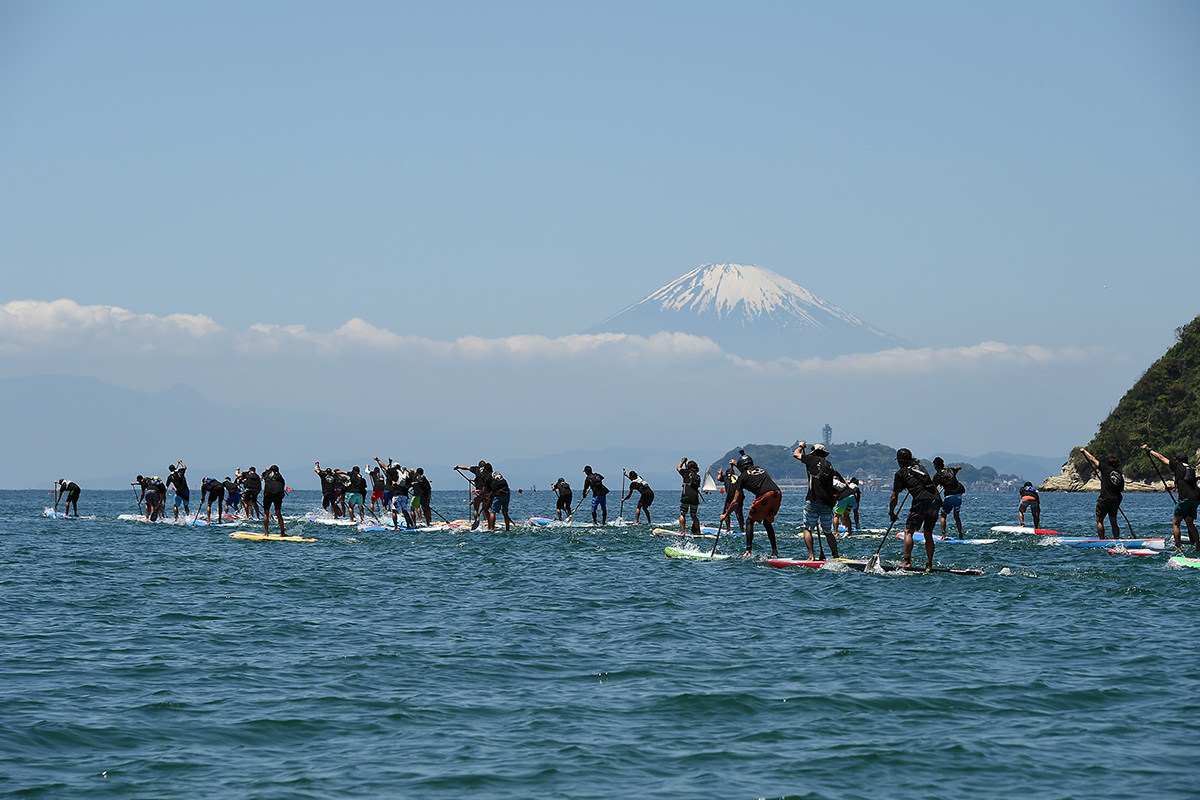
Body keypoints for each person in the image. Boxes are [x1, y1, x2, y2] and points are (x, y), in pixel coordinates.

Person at [719, 451, 781, 559]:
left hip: (764, 495)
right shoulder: (760, 469)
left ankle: (748, 551)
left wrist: (726, 515)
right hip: (777, 494)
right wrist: (737, 464)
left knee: (749, 521)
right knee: (767, 522)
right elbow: (747, 471)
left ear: (741, 467)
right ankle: (774, 551)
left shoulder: (741, 478)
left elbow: (735, 502)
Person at [888, 448, 940, 570]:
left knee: (909, 531)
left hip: (921, 501)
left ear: (900, 461)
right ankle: (929, 563)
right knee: (928, 533)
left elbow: (894, 496)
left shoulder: (900, 473)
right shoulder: (921, 468)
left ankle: (907, 562)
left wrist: (891, 513)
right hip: (936, 500)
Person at [1143, 445, 1200, 552]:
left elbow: (1161, 457)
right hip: (1195, 499)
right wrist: (1173, 486)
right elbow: (1188, 482)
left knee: (1176, 523)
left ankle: (1178, 547)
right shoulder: (1191, 469)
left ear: (1178, 461)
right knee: (1190, 523)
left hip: (1185, 498)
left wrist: (1149, 450)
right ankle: (1198, 546)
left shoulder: (1177, 465)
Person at [793, 442, 841, 560]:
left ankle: (811, 556)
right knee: (828, 531)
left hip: (813, 500)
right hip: (827, 503)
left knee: (807, 529)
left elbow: (795, 454)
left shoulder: (811, 459)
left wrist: (801, 446)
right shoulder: (829, 465)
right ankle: (836, 555)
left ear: (814, 452)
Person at [1080, 447, 1123, 539]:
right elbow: (1121, 489)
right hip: (1115, 500)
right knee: (1113, 521)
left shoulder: (1105, 468)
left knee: (1100, 520)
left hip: (1104, 498)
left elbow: (1092, 459)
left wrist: (1084, 451)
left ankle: (1102, 539)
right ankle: (1117, 539)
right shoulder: (1119, 474)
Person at [932, 457, 966, 539]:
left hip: (949, 496)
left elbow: (933, 488)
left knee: (943, 515)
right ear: (943, 464)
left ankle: (943, 536)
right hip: (959, 495)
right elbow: (955, 471)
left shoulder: (937, 475)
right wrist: (958, 469)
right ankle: (961, 536)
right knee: (956, 515)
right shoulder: (950, 470)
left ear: (935, 466)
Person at [455, 461, 492, 528]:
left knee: (476, 508)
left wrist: (458, 467)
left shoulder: (476, 469)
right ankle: (488, 522)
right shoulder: (488, 471)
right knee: (485, 508)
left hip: (478, 491)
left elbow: (466, 468)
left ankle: (476, 521)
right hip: (487, 491)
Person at [677, 458, 701, 535]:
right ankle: (698, 531)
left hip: (686, 495)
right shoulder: (698, 477)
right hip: (695, 497)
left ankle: (683, 532)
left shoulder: (686, 472)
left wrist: (683, 461)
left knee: (683, 514)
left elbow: (678, 468)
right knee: (694, 515)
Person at [717, 465, 744, 533]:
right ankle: (742, 528)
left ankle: (728, 528)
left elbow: (718, 478)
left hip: (731, 498)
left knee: (726, 513)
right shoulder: (738, 478)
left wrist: (720, 473)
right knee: (739, 514)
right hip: (739, 497)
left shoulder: (725, 477)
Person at [261, 465, 286, 536]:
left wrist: (267, 469)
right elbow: (283, 484)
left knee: (266, 512)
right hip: (278, 494)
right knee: (278, 513)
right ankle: (282, 533)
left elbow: (263, 473)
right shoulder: (280, 476)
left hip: (268, 493)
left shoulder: (266, 474)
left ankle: (266, 533)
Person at [485, 467, 513, 531]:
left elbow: (485, 489)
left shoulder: (488, 477)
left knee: (493, 512)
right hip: (507, 492)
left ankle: (492, 529)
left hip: (499, 494)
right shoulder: (497, 473)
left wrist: (485, 497)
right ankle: (507, 529)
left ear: (486, 471)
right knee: (505, 512)